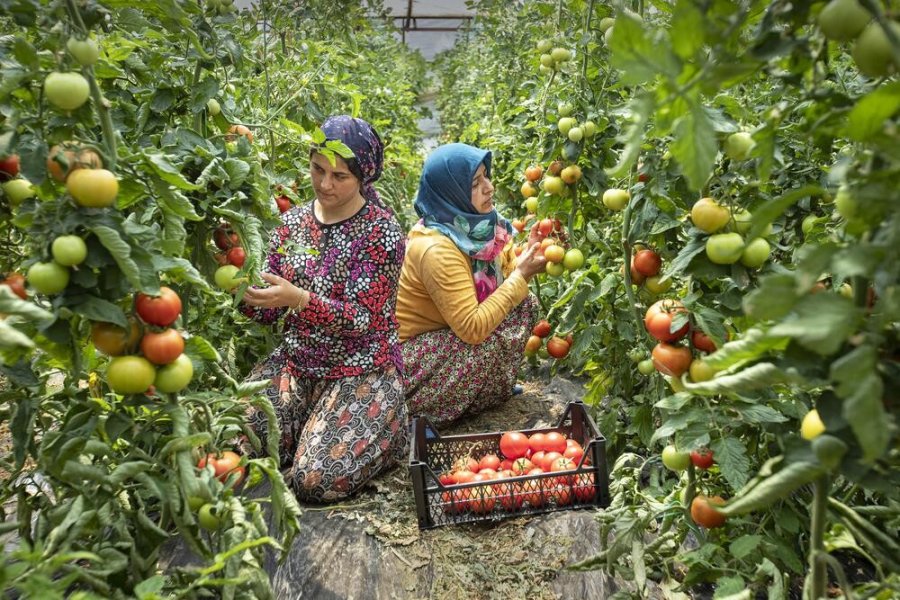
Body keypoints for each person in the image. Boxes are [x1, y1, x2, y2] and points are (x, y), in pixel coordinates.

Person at [238, 115, 407, 503]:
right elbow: (269, 310)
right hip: (296, 364)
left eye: (340, 176)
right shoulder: (291, 223)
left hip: (361, 368)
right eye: (318, 169)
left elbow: (361, 319)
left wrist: (299, 299)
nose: (325, 184)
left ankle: (389, 428)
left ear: (363, 176)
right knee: (232, 441)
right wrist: (245, 291)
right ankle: (309, 424)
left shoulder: (380, 232)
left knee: (315, 480)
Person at [395, 142, 547, 427]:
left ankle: (480, 394)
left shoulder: (474, 228)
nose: (489, 187)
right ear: (450, 193)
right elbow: (472, 328)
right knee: (489, 336)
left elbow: (497, 283)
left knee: (522, 307)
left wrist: (525, 258)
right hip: (411, 364)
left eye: (485, 176)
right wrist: (521, 276)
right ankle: (425, 412)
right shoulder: (436, 249)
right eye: (475, 183)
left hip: (441, 341)